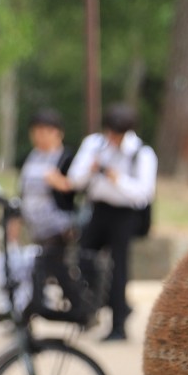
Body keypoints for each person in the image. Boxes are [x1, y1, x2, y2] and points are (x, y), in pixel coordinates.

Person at [69, 102, 158, 341]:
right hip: (98, 209)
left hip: (125, 215)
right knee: (83, 258)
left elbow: (143, 194)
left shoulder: (142, 153)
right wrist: (92, 168)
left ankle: (118, 324)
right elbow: (75, 179)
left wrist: (116, 179)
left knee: (118, 268)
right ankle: (99, 306)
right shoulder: (94, 145)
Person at [18, 109, 90, 323]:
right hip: (36, 225)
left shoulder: (67, 158)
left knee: (45, 265)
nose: (40, 136)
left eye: (45, 131)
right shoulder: (31, 157)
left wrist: (60, 182)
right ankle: (80, 309)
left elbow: (77, 189)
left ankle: (30, 313)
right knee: (55, 269)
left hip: (59, 225)